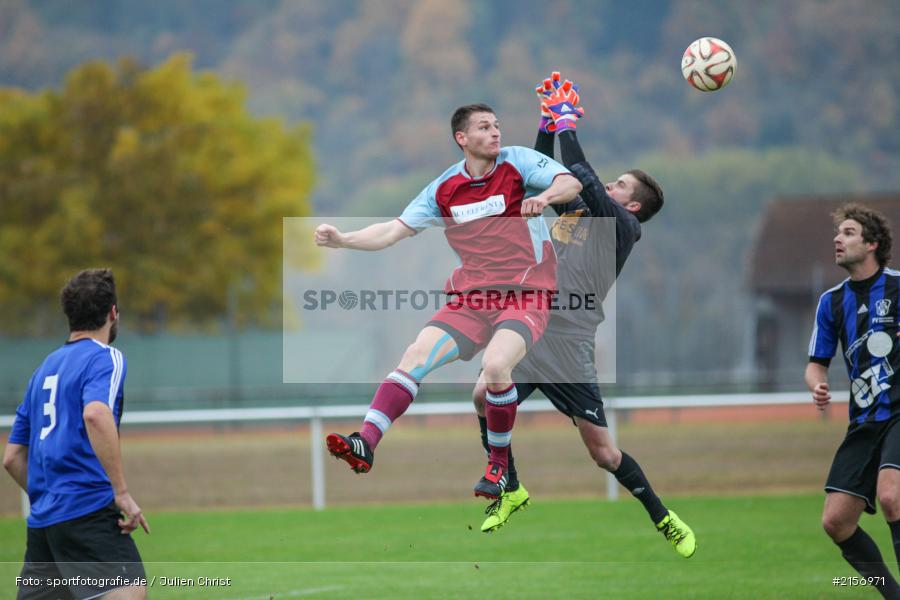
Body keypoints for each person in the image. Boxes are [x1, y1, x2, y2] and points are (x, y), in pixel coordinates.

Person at [471, 73, 695, 558]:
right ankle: (510, 487)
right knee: (482, 393)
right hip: (536, 328)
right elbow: (543, 173)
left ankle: (663, 517)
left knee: (604, 454)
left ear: (632, 204)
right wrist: (548, 125)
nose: (609, 185)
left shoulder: (624, 226)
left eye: (621, 185)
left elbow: (584, 174)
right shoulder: (580, 213)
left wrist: (569, 125)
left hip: (571, 348)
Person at [316, 103, 582, 498]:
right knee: (413, 358)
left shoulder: (518, 162)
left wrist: (543, 198)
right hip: (472, 297)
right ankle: (366, 443)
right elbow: (393, 231)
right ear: (462, 139)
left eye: (497, 126)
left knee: (495, 367)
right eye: (484, 127)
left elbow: (571, 183)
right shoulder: (443, 189)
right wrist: (343, 240)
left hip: (526, 294)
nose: (495, 133)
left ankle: (499, 468)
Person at [3, 268, 149, 600]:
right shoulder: (105, 358)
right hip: (87, 510)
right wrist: (121, 492)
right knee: (129, 590)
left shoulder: (43, 369)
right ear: (113, 312)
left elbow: (12, 458)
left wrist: (50, 499)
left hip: (44, 522)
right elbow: (96, 413)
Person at [808, 203, 900, 599]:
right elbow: (815, 364)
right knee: (836, 523)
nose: (837, 239)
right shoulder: (832, 302)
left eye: (848, 233)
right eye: (838, 233)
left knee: (891, 496)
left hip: (899, 415)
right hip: (864, 422)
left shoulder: (898, 287)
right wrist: (818, 385)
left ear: (873, 243)